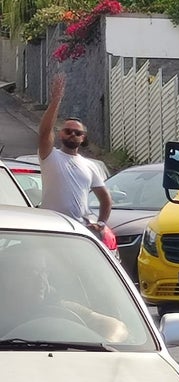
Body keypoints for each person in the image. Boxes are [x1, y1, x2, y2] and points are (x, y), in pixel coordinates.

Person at [0, 246, 128, 342]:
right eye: (31, 272)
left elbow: (116, 327)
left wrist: (105, 344)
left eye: (44, 272)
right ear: (9, 279)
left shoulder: (64, 307)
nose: (42, 280)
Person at [38, 73, 112, 231]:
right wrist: (56, 101)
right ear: (60, 133)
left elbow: (105, 198)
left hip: (77, 230)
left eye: (77, 133)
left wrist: (101, 223)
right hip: (49, 226)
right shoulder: (50, 156)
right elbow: (44, 132)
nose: (72, 134)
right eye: (68, 131)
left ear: (83, 138)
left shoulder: (91, 166)